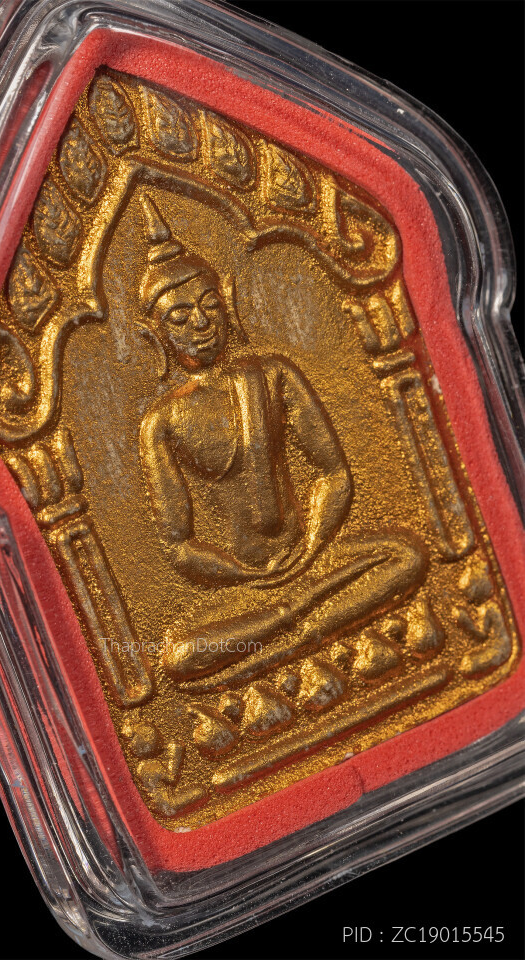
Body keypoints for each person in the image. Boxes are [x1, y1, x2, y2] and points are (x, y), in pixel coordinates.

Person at [137, 196, 425, 686]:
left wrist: (312, 544)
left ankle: (286, 637)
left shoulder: (273, 375)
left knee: (406, 556)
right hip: (246, 589)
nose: (201, 324)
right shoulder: (161, 423)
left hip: (315, 557)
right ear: (154, 335)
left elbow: (334, 473)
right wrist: (246, 576)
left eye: (209, 306)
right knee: (180, 656)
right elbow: (179, 546)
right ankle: (298, 624)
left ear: (227, 303)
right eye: (179, 318)